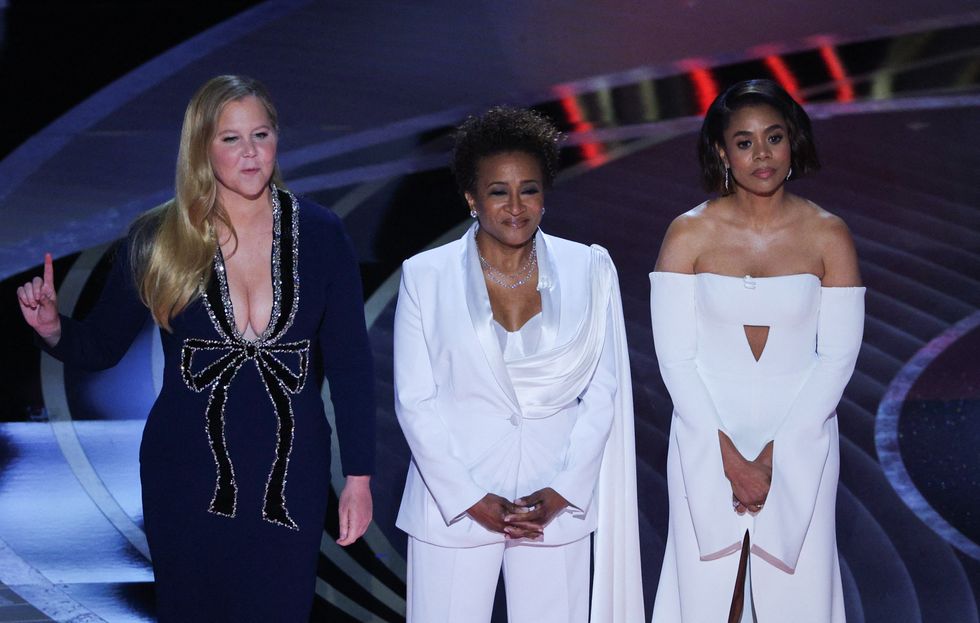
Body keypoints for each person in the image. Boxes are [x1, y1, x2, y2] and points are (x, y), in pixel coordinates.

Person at [16, 75, 376, 621]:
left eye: (261, 134)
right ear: (202, 148)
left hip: (289, 475)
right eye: (231, 138)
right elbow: (100, 346)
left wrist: (359, 478)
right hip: (184, 472)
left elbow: (351, 366)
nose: (250, 152)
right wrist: (51, 327)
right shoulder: (157, 236)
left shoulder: (321, 235)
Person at [393, 106, 643, 623]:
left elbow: (603, 392)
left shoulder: (589, 268)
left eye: (528, 189)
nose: (515, 206)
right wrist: (466, 497)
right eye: (498, 191)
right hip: (454, 510)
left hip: (552, 508)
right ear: (471, 197)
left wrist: (563, 491)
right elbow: (414, 401)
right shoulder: (425, 275)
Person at [649, 79, 865, 622]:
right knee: (710, 591)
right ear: (723, 152)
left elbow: (837, 359)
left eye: (773, 137)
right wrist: (727, 457)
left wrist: (776, 456)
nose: (761, 154)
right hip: (704, 437)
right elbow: (675, 360)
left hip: (802, 437)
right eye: (744, 142)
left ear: (792, 141)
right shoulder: (687, 235)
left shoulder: (828, 235)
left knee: (796, 593)